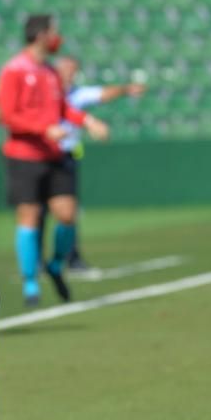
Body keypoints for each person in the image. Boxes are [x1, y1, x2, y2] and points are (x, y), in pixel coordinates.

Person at [0, 14, 108, 306]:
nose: (58, 37)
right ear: (41, 35)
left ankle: (56, 264)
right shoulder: (15, 70)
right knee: (29, 217)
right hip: (25, 156)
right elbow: (9, 116)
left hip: (54, 154)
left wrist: (87, 120)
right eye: (54, 32)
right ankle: (30, 282)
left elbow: (62, 108)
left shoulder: (49, 72)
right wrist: (43, 128)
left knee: (67, 214)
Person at [50, 56, 145, 270]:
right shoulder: (44, 92)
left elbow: (102, 94)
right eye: (66, 69)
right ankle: (36, 263)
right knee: (35, 212)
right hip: (41, 155)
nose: (70, 74)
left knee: (68, 211)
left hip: (66, 156)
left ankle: (71, 257)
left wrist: (125, 90)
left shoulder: (77, 94)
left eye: (73, 70)